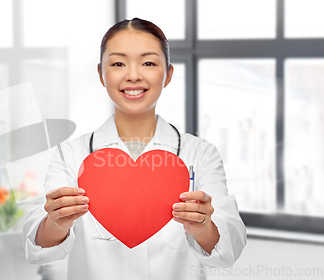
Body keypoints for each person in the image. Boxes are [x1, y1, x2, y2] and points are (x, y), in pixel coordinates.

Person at [23, 17, 247, 279]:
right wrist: (56, 223)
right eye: (118, 63)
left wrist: (202, 227)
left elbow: (227, 250)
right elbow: (39, 247)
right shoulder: (71, 155)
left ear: (168, 74)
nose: (132, 75)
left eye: (149, 63)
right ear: (100, 74)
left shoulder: (200, 154)